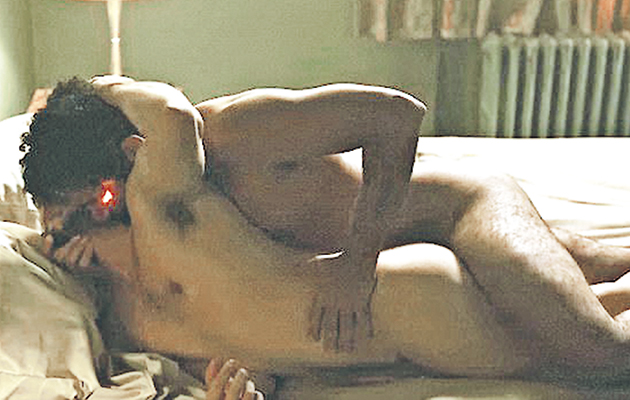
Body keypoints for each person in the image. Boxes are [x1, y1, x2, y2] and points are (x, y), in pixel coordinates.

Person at [18, 76, 630, 391]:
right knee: (589, 277)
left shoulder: (229, 132)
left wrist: (355, 264)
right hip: (407, 255)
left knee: (588, 346)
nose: (95, 220)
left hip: (454, 210)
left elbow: (398, 115)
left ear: (132, 151)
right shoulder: (159, 233)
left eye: (98, 202)